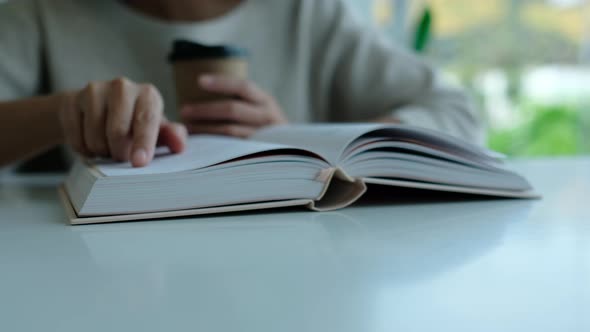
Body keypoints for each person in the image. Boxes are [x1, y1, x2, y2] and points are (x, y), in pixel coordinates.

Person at [0, 0, 484, 168]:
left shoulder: (307, 13)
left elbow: (458, 114)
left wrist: (306, 143)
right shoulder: (43, 15)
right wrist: (62, 113)